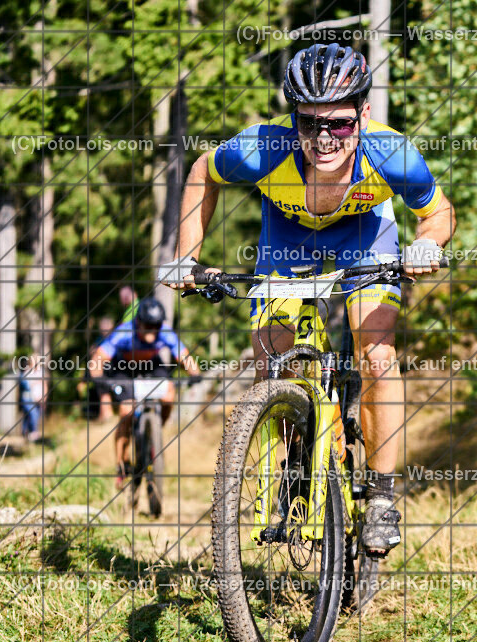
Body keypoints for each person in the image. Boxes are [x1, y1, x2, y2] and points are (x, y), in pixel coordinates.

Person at [161, 43, 455, 556]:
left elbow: (439, 212)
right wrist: (187, 258)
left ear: (363, 113)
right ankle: (292, 459)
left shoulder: (393, 154)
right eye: (309, 123)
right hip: (287, 239)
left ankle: (382, 497)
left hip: (365, 238)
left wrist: (427, 243)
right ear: (293, 118)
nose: (324, 139)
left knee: (377, 356)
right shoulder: (263, 148)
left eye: (339, 124)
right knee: (270, 361)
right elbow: (202, 172)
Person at [89, 298, 200, 488]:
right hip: (123, 367)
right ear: (138, 322)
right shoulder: (124, 331)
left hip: (152, 365)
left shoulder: (164, 332)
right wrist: (98, 377)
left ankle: (153, 431)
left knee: (168, 394)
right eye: (147, 325)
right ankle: (121, 466)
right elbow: (98, 359)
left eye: (155, 326)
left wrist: (194, 373)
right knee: (126, 411)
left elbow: (184, 356)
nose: (151, 330)